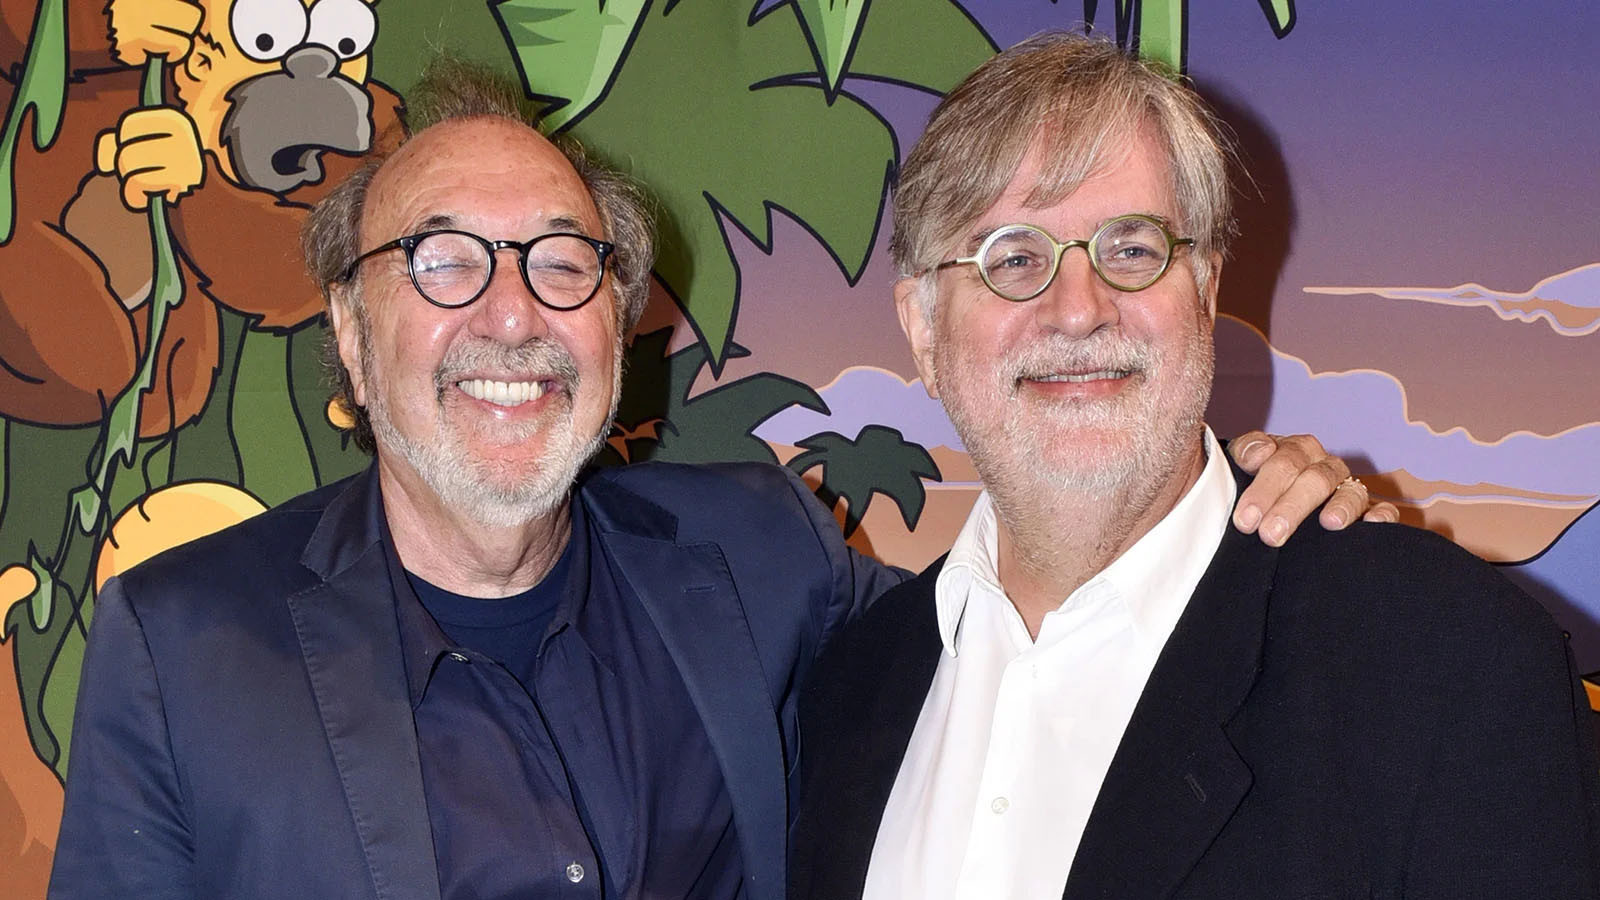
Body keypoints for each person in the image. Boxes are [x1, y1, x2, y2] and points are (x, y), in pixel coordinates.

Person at [49, 58, 1377, 900]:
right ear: (351, 327)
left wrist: (1220, 497)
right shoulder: (185, 644)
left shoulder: (757, 552)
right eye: (445, 262)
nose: (511, 315)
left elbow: (1030, 626)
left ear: (615, 322)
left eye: (562, 263)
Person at [789, 33, 1600, 900]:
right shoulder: (848, 685)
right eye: (1014, 257)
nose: (1079, 309)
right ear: (923, 329)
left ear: (1206, 289)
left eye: (1131, 249)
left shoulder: (1445, 662)